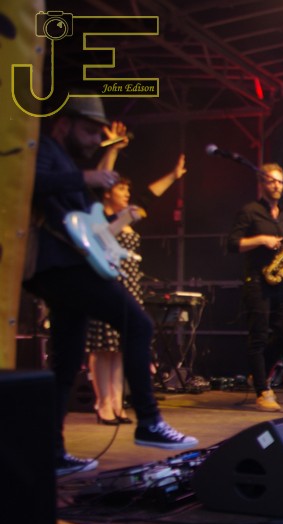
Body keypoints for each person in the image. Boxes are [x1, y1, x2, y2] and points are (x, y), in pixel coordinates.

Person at [24, 95, 198, 475]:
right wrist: (85, 178)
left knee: (66, 361)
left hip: (68, 266)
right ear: (64, 124)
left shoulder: (67, 160)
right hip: (60, 265)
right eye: (88, 131)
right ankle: (149, 421)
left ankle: (52, 453)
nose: (93, 140)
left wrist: (102, 161)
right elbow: (28, 182)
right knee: (139, 325)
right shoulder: (44, 149)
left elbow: (88, 214)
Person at [86, 156, 187, 425]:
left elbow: (148, 196)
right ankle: (102, 402)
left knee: (120, 347)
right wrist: (114, 150)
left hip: (129, 287)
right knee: (103, 347)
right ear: (107, 192)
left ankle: (116, 401)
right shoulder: (101, 215)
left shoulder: (128, 214)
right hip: (106, 283)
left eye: (127, 189)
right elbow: (101, 238)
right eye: (121, 189)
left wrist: (173, 176)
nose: (127, 193)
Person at [227, 163, 283, 412]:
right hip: (256, 281)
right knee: (258, 336)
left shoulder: (281, 214)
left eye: (280, 181)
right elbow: (232, 244)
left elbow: (277, 246)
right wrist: (261, 239)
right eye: (271, 181)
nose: (276, 186)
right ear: (261, 183)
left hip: (276, 280)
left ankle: (258, 374)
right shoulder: (250, 211)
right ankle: (262, 390)